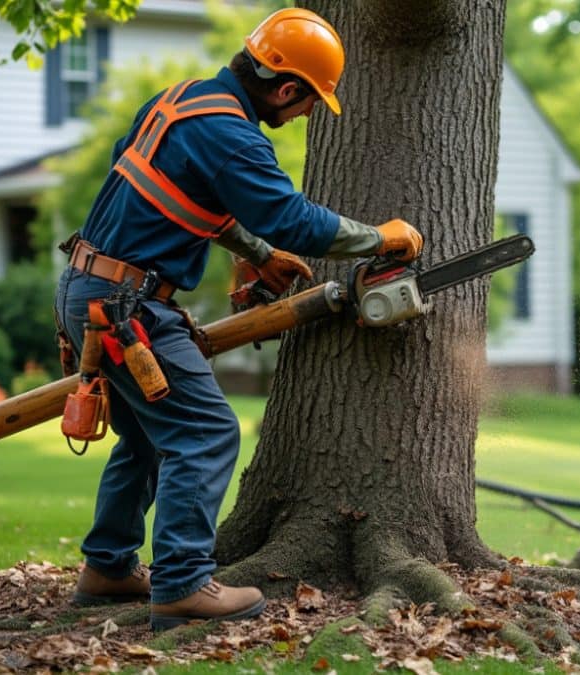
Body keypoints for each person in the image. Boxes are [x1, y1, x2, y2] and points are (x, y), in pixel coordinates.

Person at [54, 8, 423, 632]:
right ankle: (180, 586)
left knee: (148, 436)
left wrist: (256, 254)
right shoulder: (233, 136)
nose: (307, 114)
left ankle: (108, 567)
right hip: (126, 307)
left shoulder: (180, 102)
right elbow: (296, 221)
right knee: (206, 432)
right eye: (309, 102)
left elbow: (175, 192)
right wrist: (381, 236)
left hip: (92, 287)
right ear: (285, 89)